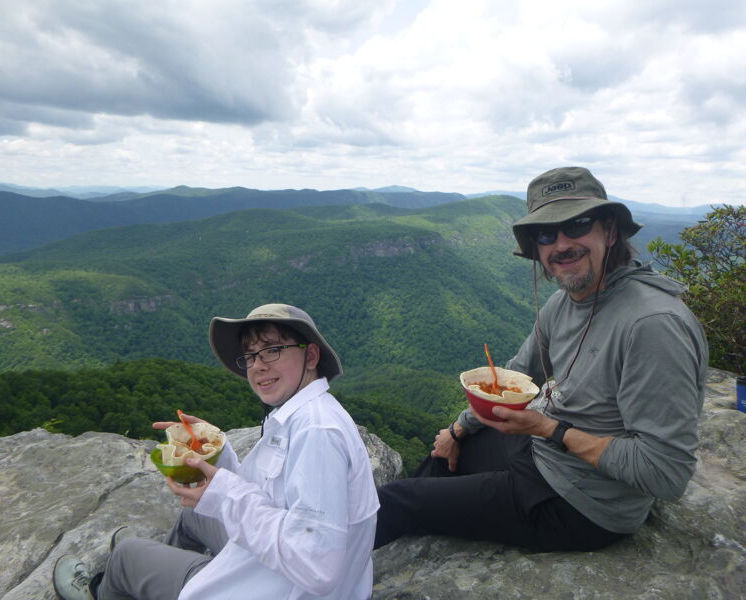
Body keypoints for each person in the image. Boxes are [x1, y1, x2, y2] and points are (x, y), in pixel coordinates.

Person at [374, 166, 709, 552]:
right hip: (543, 453)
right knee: (440, 458)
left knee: (393, 502)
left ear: (610, 231)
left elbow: (665, 473)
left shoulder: (652, 325)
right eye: (547, 234)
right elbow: (517, 373)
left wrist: (550, 429)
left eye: (578, 224)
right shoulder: (563, 303)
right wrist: (456, 430)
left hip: (583, 504)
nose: (561, 244)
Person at [53, 303, 379, 599]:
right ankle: (153, 580)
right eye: (250, 356)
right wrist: (217, 452)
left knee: (126, 557)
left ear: (310, 356)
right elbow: (270, 495)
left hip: (277, 587)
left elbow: (317, 566)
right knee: (194, 514)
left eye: (272, 350)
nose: (257, 366)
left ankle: (104, 589)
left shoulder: (317, 433)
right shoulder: (302, 414)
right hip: (277, 571)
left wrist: (225, 494)